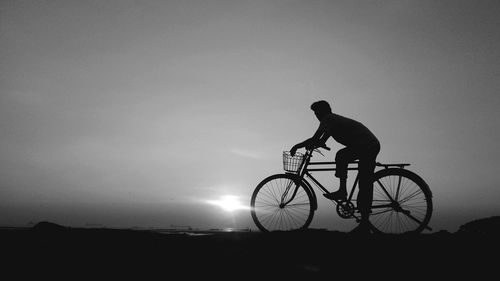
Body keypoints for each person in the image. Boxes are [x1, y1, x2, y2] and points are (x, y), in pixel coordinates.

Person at [290, 100, 380, 234]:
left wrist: (298, 146)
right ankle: (364, 222)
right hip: (367, 144)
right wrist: (317, 143)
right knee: (361, 177)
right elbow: (321, 140)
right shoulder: (331, 121)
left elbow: (315, 138)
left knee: (348, 163)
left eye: (316, 113)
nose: (316, 116)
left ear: (322, 111)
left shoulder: (328, 119)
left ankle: (343, 192)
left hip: (367, 145)